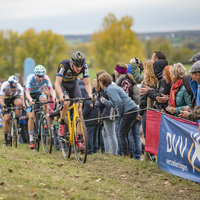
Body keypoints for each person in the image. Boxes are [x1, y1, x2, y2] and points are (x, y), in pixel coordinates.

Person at [55, 51, 93, 151]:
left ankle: (79, 139)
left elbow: (87, 84)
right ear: (72, 63)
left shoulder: (84, 67)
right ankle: (62, 124)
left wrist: (90, 94)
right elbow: (57, 83)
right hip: (62, 85)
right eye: (76, 65)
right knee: (66, 102)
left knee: (80, 107)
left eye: (80, 66)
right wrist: (61, 95)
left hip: (73, 85)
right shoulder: (64, 65)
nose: (79, 68)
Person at [98, 72, 138, 158]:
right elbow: (114, 103)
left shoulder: (110, 89)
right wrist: (105, 101)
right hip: (133, 110)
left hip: (129, 110)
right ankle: (128, 154)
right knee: (125, 133)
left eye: (99, 82)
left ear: (101, 82)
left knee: (121, 134)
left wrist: (120, 113)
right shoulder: (111, 88)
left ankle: (125, 154)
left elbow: (118, 102)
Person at [114, 63, 142, 159]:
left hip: (128, 111)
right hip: (130, 110)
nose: (114, 72)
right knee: (127, 133)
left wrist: (121, 111)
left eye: (115, 70)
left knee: (125, 133)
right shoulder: (124, 81)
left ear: (119, 72)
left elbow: (124, 98)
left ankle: (128, 154)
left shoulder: (124, 82)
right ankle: (130, 154)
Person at [25, 64, 56, 149]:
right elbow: (27, 93)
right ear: (35, 75)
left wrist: (54, 98)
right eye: (39, 76)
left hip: (38, 93)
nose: (41, 78)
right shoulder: (30, 78)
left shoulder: (46, 78)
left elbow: (51, 89)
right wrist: (31, 100)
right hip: (29, 95)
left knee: (44, 99)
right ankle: (31, 139)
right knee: (31, 116)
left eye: (42, 76)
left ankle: (44, 117)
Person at [95, 70, 118, 156]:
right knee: (105, 134)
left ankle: (114, 153)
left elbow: (101, 103)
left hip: (108, 113)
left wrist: (96, 104)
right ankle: (107, 152)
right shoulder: (105, 89)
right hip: (105, 113)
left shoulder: (105, 90)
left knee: (111, 134)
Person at [0, 75, 25, 146]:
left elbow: (22, 98)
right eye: (12, 87)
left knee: (19, 103)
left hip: (14, 97)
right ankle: (5, 139)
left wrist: (23, 105)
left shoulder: (19, 86)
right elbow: (1, 99)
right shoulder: (4, 85)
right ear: (9, 84)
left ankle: (16, 121)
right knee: (6, 119)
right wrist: (3, 105)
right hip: (6, 100)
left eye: (14, 87)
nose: (13, 89)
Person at [79, 78, 99, 155]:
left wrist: (83, 115)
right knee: (94, 133)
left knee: (89, 133)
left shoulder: (81, 89)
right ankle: (95, 150)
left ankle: (89, 150)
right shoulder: (86, 87)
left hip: (90, 114)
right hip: (95, 112)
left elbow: (87, 104)